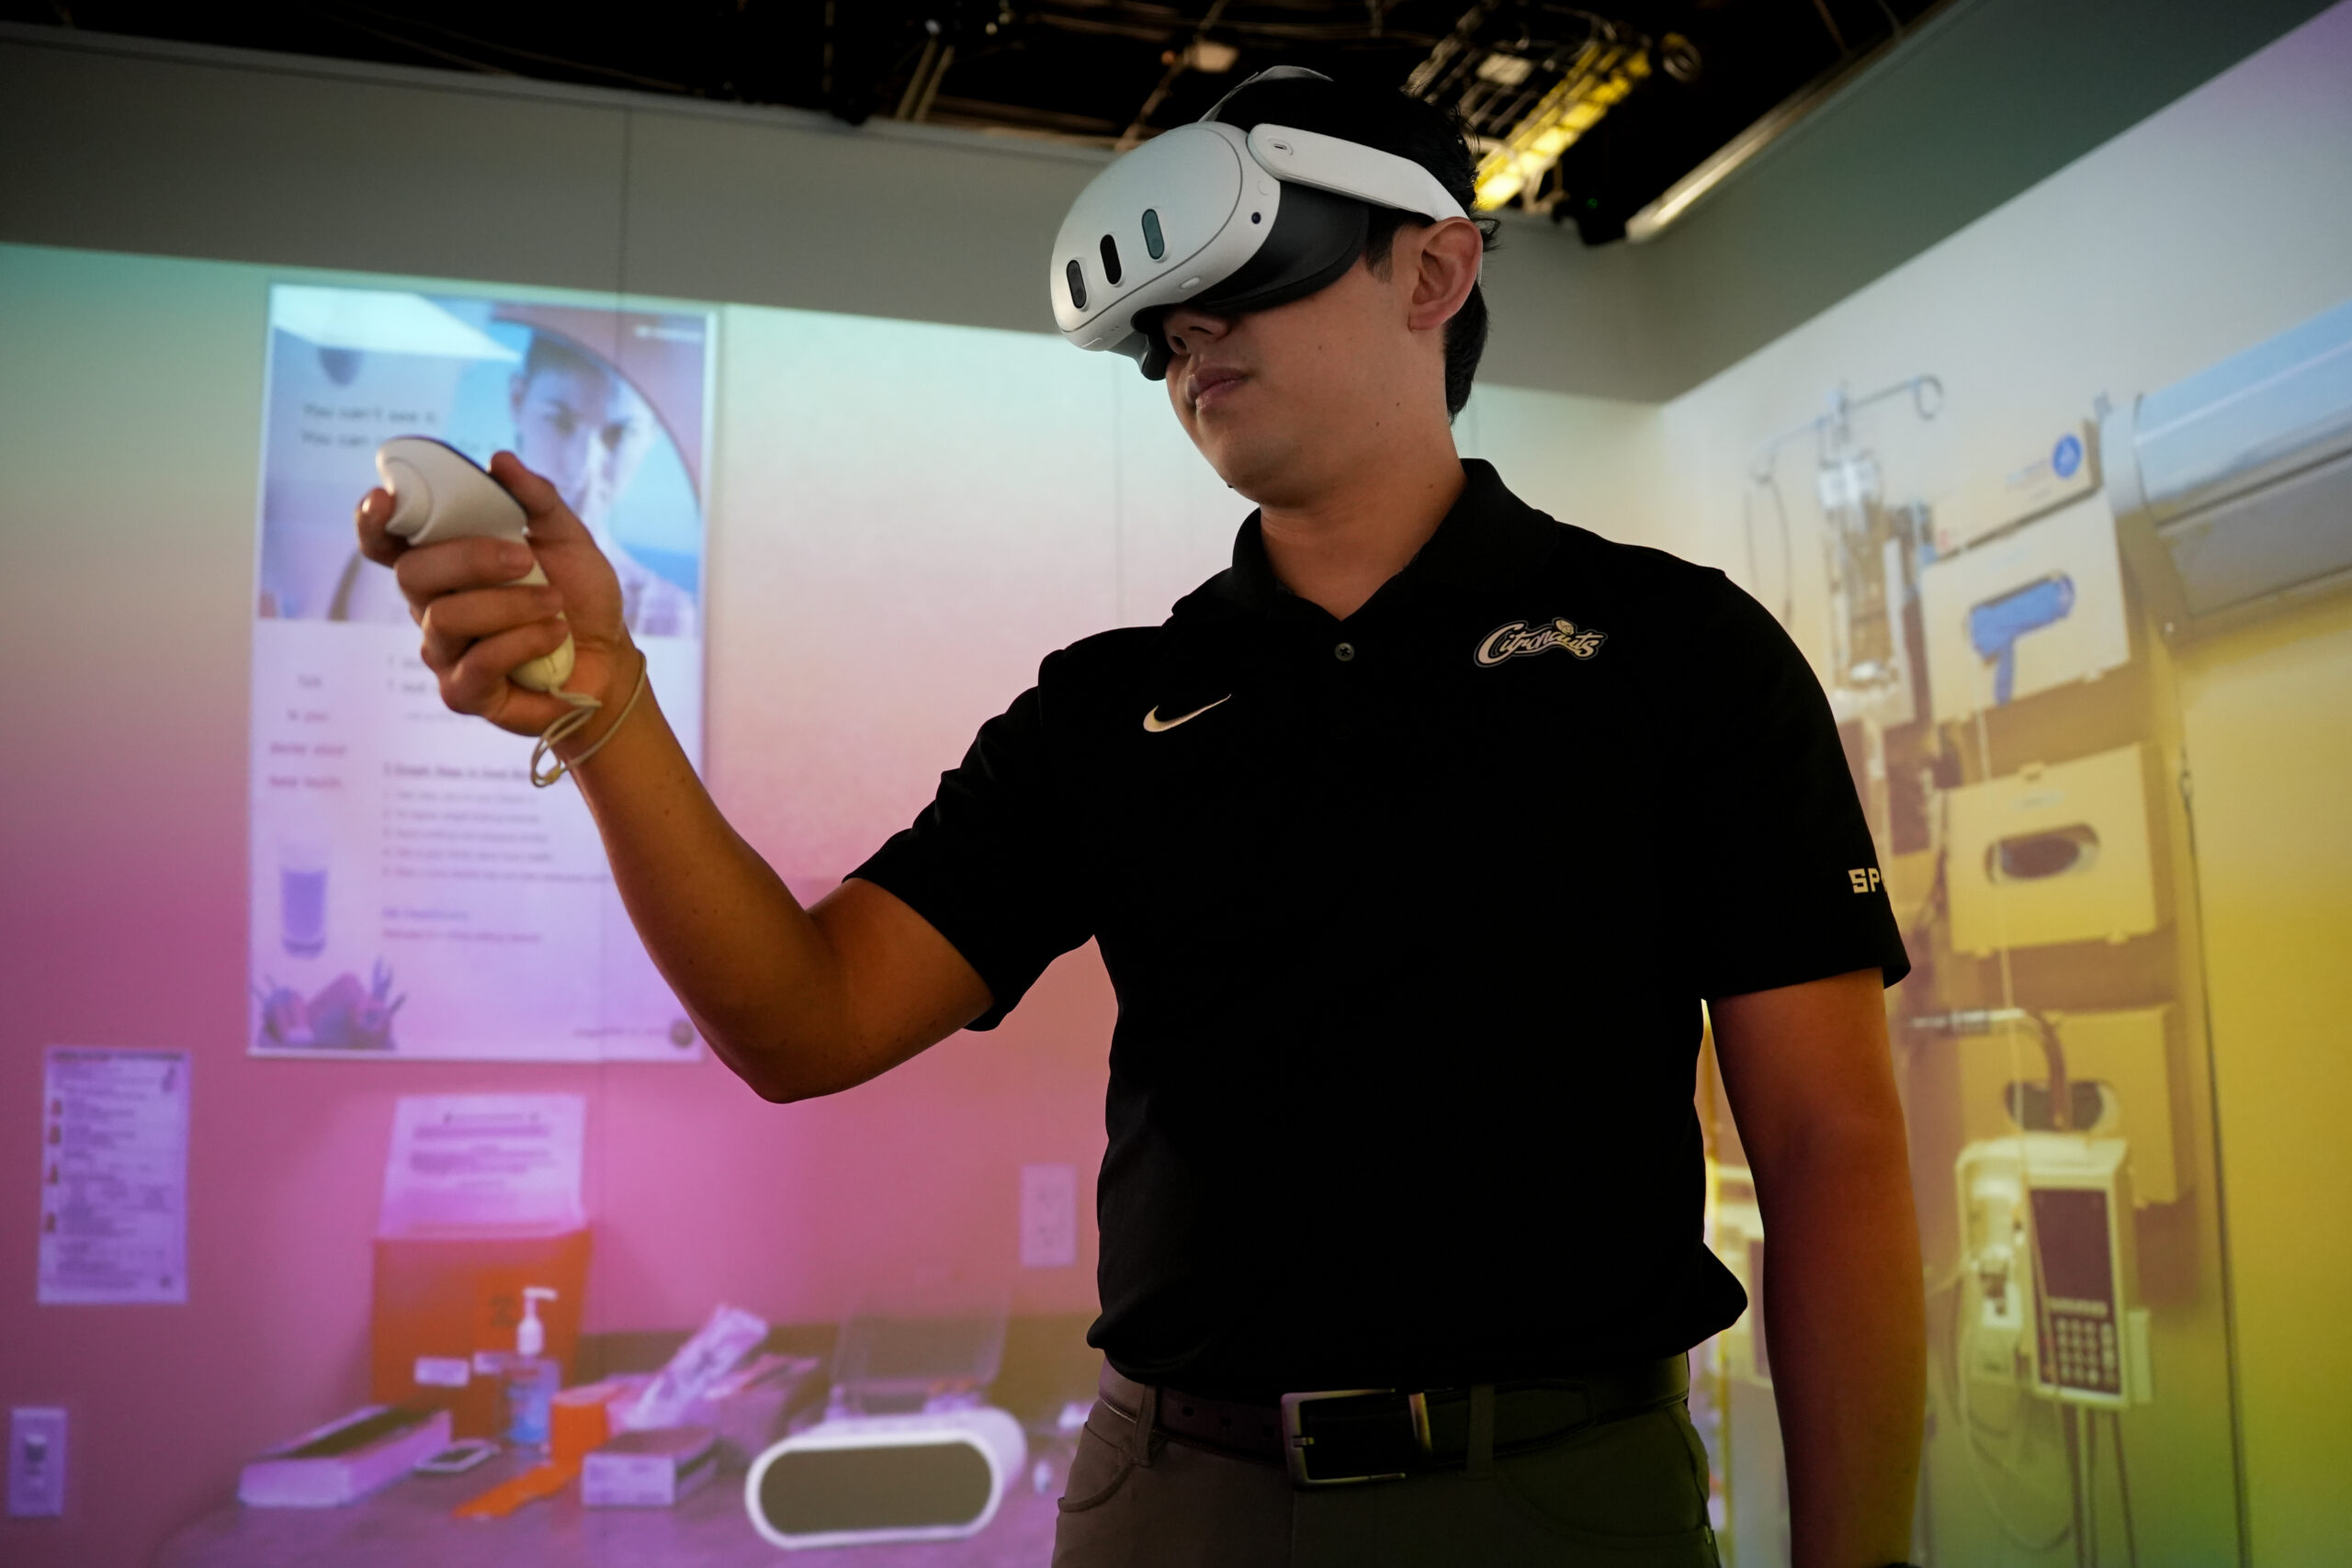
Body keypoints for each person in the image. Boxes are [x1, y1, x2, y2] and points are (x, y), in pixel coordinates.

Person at [355, 71, 1924, 1568]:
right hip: (1175, 1504)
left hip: (1559, 1502)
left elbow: (1829, 1140)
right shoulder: (1111, 710)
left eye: (1250, 267)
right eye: (1163, 319)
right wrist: (601, 705)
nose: (1190, 334)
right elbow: (802, 1017)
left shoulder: (1679, 655)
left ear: (1435, 271)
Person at [334, 331, 696, 636]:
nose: (582, 465)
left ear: (652, 435)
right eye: (560, 421)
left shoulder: (671, 614)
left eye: (619, 434)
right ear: (516, 399)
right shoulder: (395, 579)